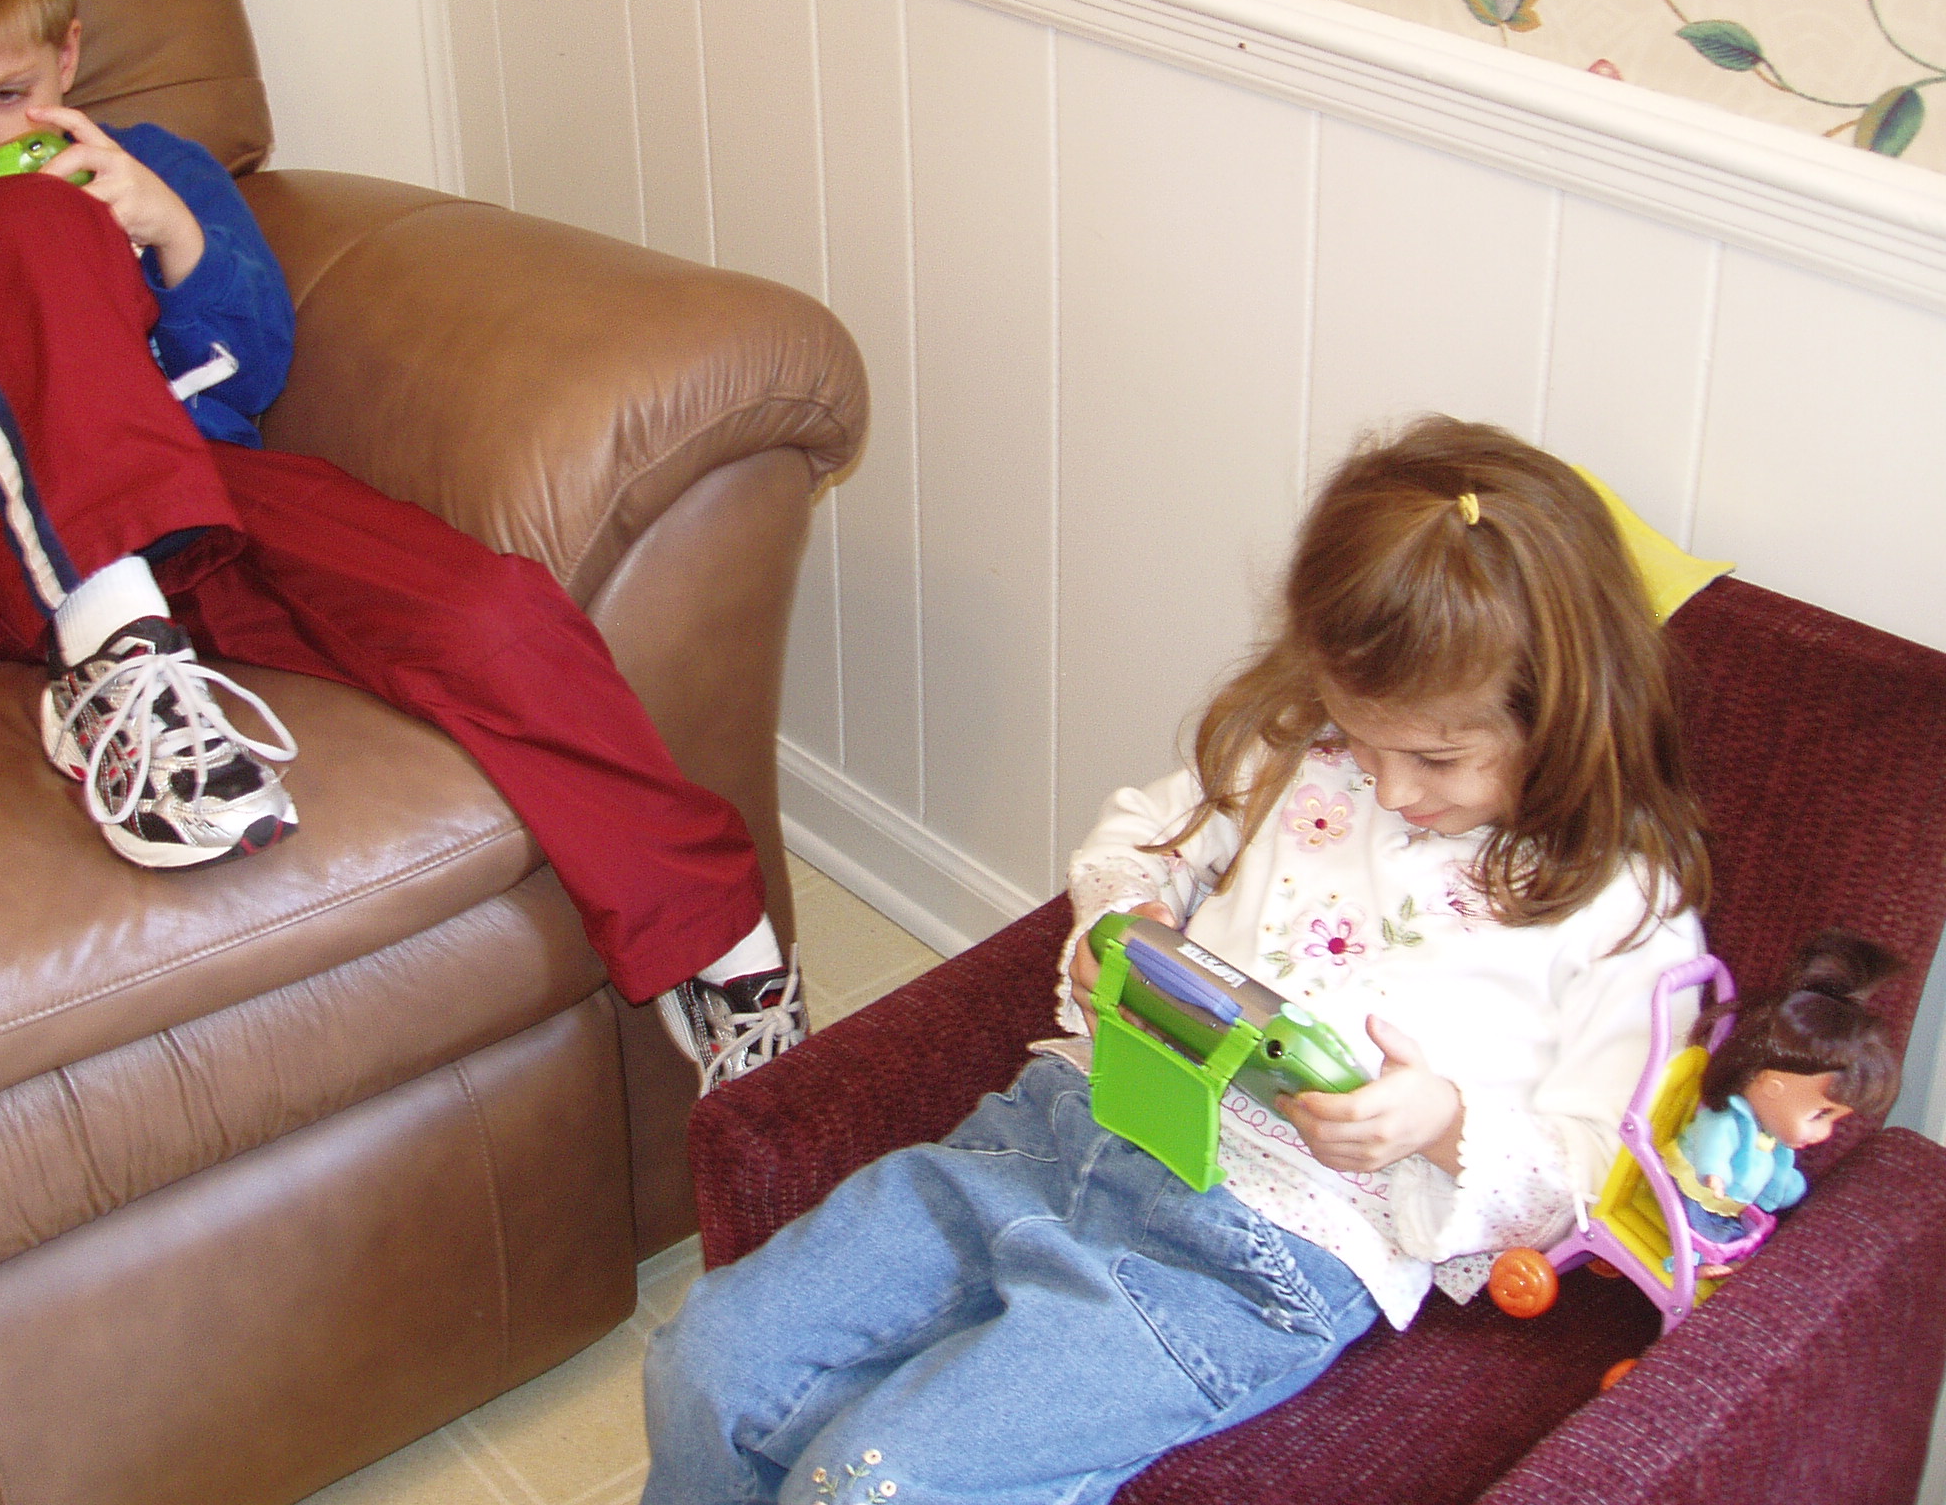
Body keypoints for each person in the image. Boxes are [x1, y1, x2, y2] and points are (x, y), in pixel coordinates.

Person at [0, 0, 802, 1088]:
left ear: (67, 57)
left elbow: (251, 367)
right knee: (13, 222)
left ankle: (729, 961)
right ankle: (114, 668)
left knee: (490, 611)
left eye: (7, 94)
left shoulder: (148, 171)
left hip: (194, 502)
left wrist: (166, 228)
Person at [643, 416, 1713, 1504]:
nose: (1388, 788)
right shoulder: (1302, 753)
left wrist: (1438, 1125)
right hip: (1066, 1126)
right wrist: (1120, 925)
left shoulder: (1624, 909)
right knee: (709, 1362)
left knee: (878, 1483)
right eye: (1360, 735)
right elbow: (1140, 840)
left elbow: (1600, 1168)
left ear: (1567, 707)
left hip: (1261, 1252)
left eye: (1436, 757)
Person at [1664, 930, 1900, 1253]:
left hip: (1723, 1204)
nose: (1825, 1133)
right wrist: (1713, 1171)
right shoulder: (1729, 1121)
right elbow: (1713, 1141)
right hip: (1692, 1193)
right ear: (1771, 1086)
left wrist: (1789, 1188)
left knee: (1743, 1237)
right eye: (1819, 1115)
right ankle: (1688, 1259)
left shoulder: (1771, 1138)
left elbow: (1776, 1171)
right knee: (1712, 1237)